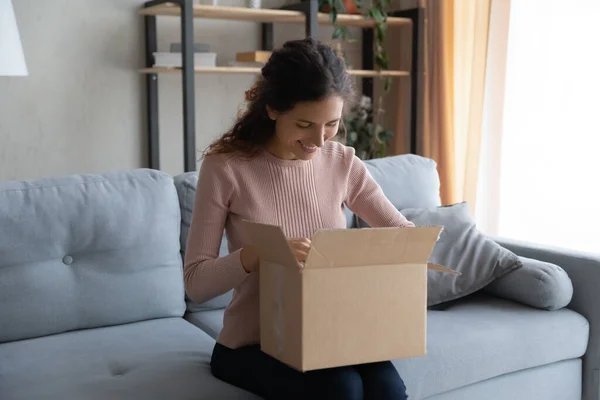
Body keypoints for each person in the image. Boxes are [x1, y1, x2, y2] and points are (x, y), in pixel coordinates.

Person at [184, 38, 414, 400]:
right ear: (273, 109)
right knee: (342, 389)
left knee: (388, 390)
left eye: (331, 124)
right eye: (305, 124)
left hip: (333, 332)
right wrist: (261, 254)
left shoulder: (341, 162)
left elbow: (403, 235)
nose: (319, 140)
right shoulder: (225, 167)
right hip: (251, 345)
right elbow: (195, 284)